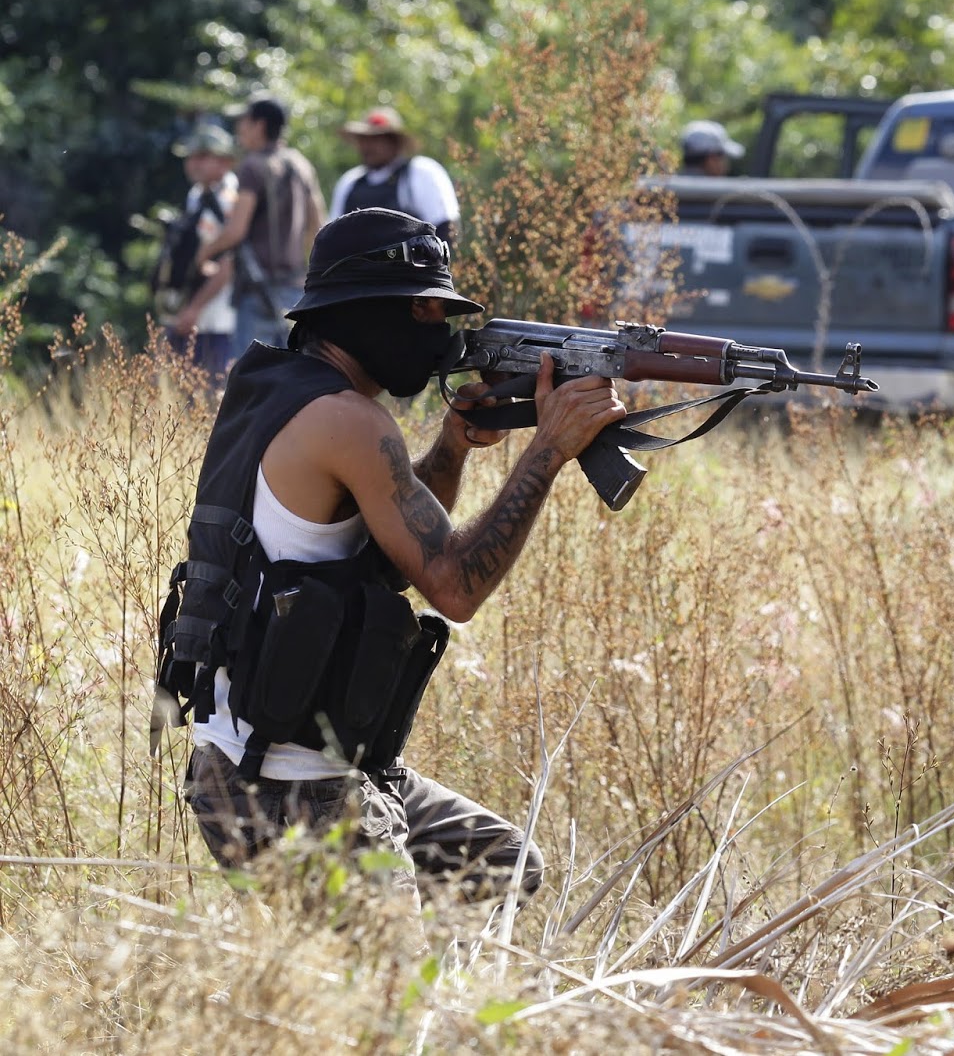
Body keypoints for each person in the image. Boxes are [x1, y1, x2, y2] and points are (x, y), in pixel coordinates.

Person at [161, 207, 626, 914]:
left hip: (260, 761)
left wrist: (453, 447)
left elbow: (383, 558)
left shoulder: (277, 392)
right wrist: (549, 448)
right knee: (384, 1008)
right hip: (293, 786)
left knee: (504, 864)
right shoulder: (349, 421)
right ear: (359, 312)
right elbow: (455, 589)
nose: (440, 330)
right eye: (423, 310)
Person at [196, 94, 326, 357]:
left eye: (243, 121)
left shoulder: (252, 167)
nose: (239, 128)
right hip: (295, 290)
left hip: (258, 292)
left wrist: (204, 254)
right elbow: (319, 226)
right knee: (293, 373)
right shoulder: (301, 165)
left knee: (254, 381)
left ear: (259, 125)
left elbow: (236, 230)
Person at [155, 124, 239, 380]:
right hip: (189, 315)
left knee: (211, 397)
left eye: (202, 156)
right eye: (190, 157)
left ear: (225, 161)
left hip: (217, 319)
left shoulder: (229, 199)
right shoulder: (197, 195)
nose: (193, 164)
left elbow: (230, 263)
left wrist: (194, 308)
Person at [329, 106, 461, 244]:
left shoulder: (420, 172)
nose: (367, 146)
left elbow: (446, 228)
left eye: (376, 139)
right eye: (363, 139)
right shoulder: (350, 182)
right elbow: (331, 238)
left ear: (394, 142)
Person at [679, 119, 744, 177]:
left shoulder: (672, 186)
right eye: (722, 155)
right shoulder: (716, 189)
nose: (726, 164)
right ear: (711, 160)